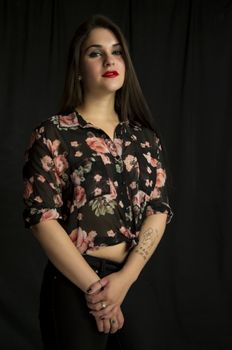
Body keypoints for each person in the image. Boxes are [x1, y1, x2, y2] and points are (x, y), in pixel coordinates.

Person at [23, 14, 172, 350]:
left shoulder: (145, 139)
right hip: (74, 282)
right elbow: (41, 219)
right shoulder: (52, 133)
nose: (109, 60)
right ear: (77, 66)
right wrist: (98, 291)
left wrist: (124, 281)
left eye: (116, 52)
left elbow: (157, 211)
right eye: (95, 52)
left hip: (131, 279)